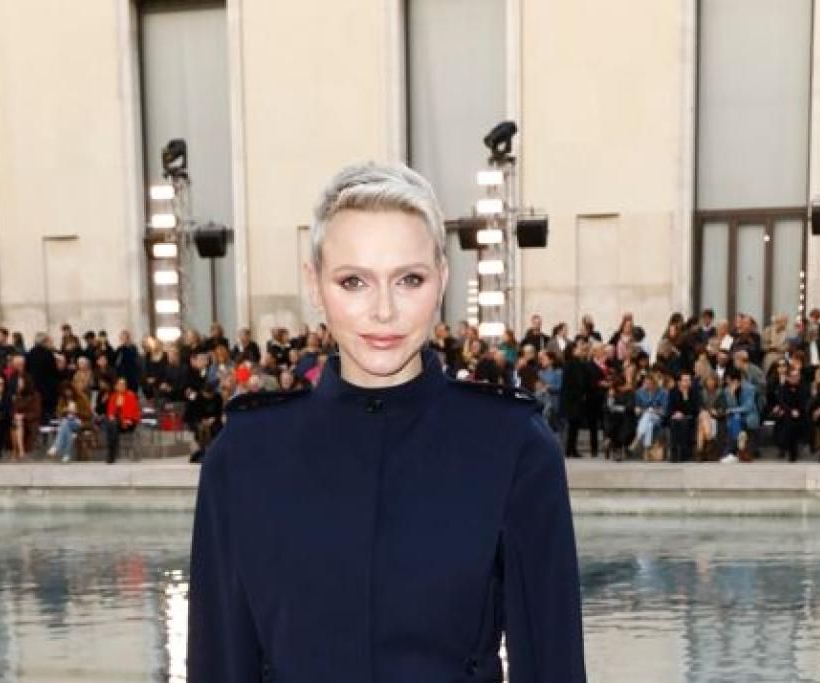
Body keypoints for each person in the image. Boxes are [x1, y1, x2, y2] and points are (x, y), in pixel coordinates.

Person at [188, 162, 585, 682]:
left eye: (409, 279)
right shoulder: (244, 455)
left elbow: (553, 663)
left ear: (442, 280)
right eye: (353, 281)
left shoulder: (513, 446)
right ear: (314, 284)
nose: (383, 311)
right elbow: (219, 663)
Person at [104, 376, 140, 463]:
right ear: (116, 386)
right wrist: (111, 416)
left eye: (123, 384)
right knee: (112, 424)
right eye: (119, 384)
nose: (121, 386)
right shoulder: (113, 396)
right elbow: (110, 411)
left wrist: (129, 419)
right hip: (116, 423)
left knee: (111, 426)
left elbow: (134, 411)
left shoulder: (130, 395)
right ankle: (112, 453)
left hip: (129, 422)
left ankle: (111, 454)